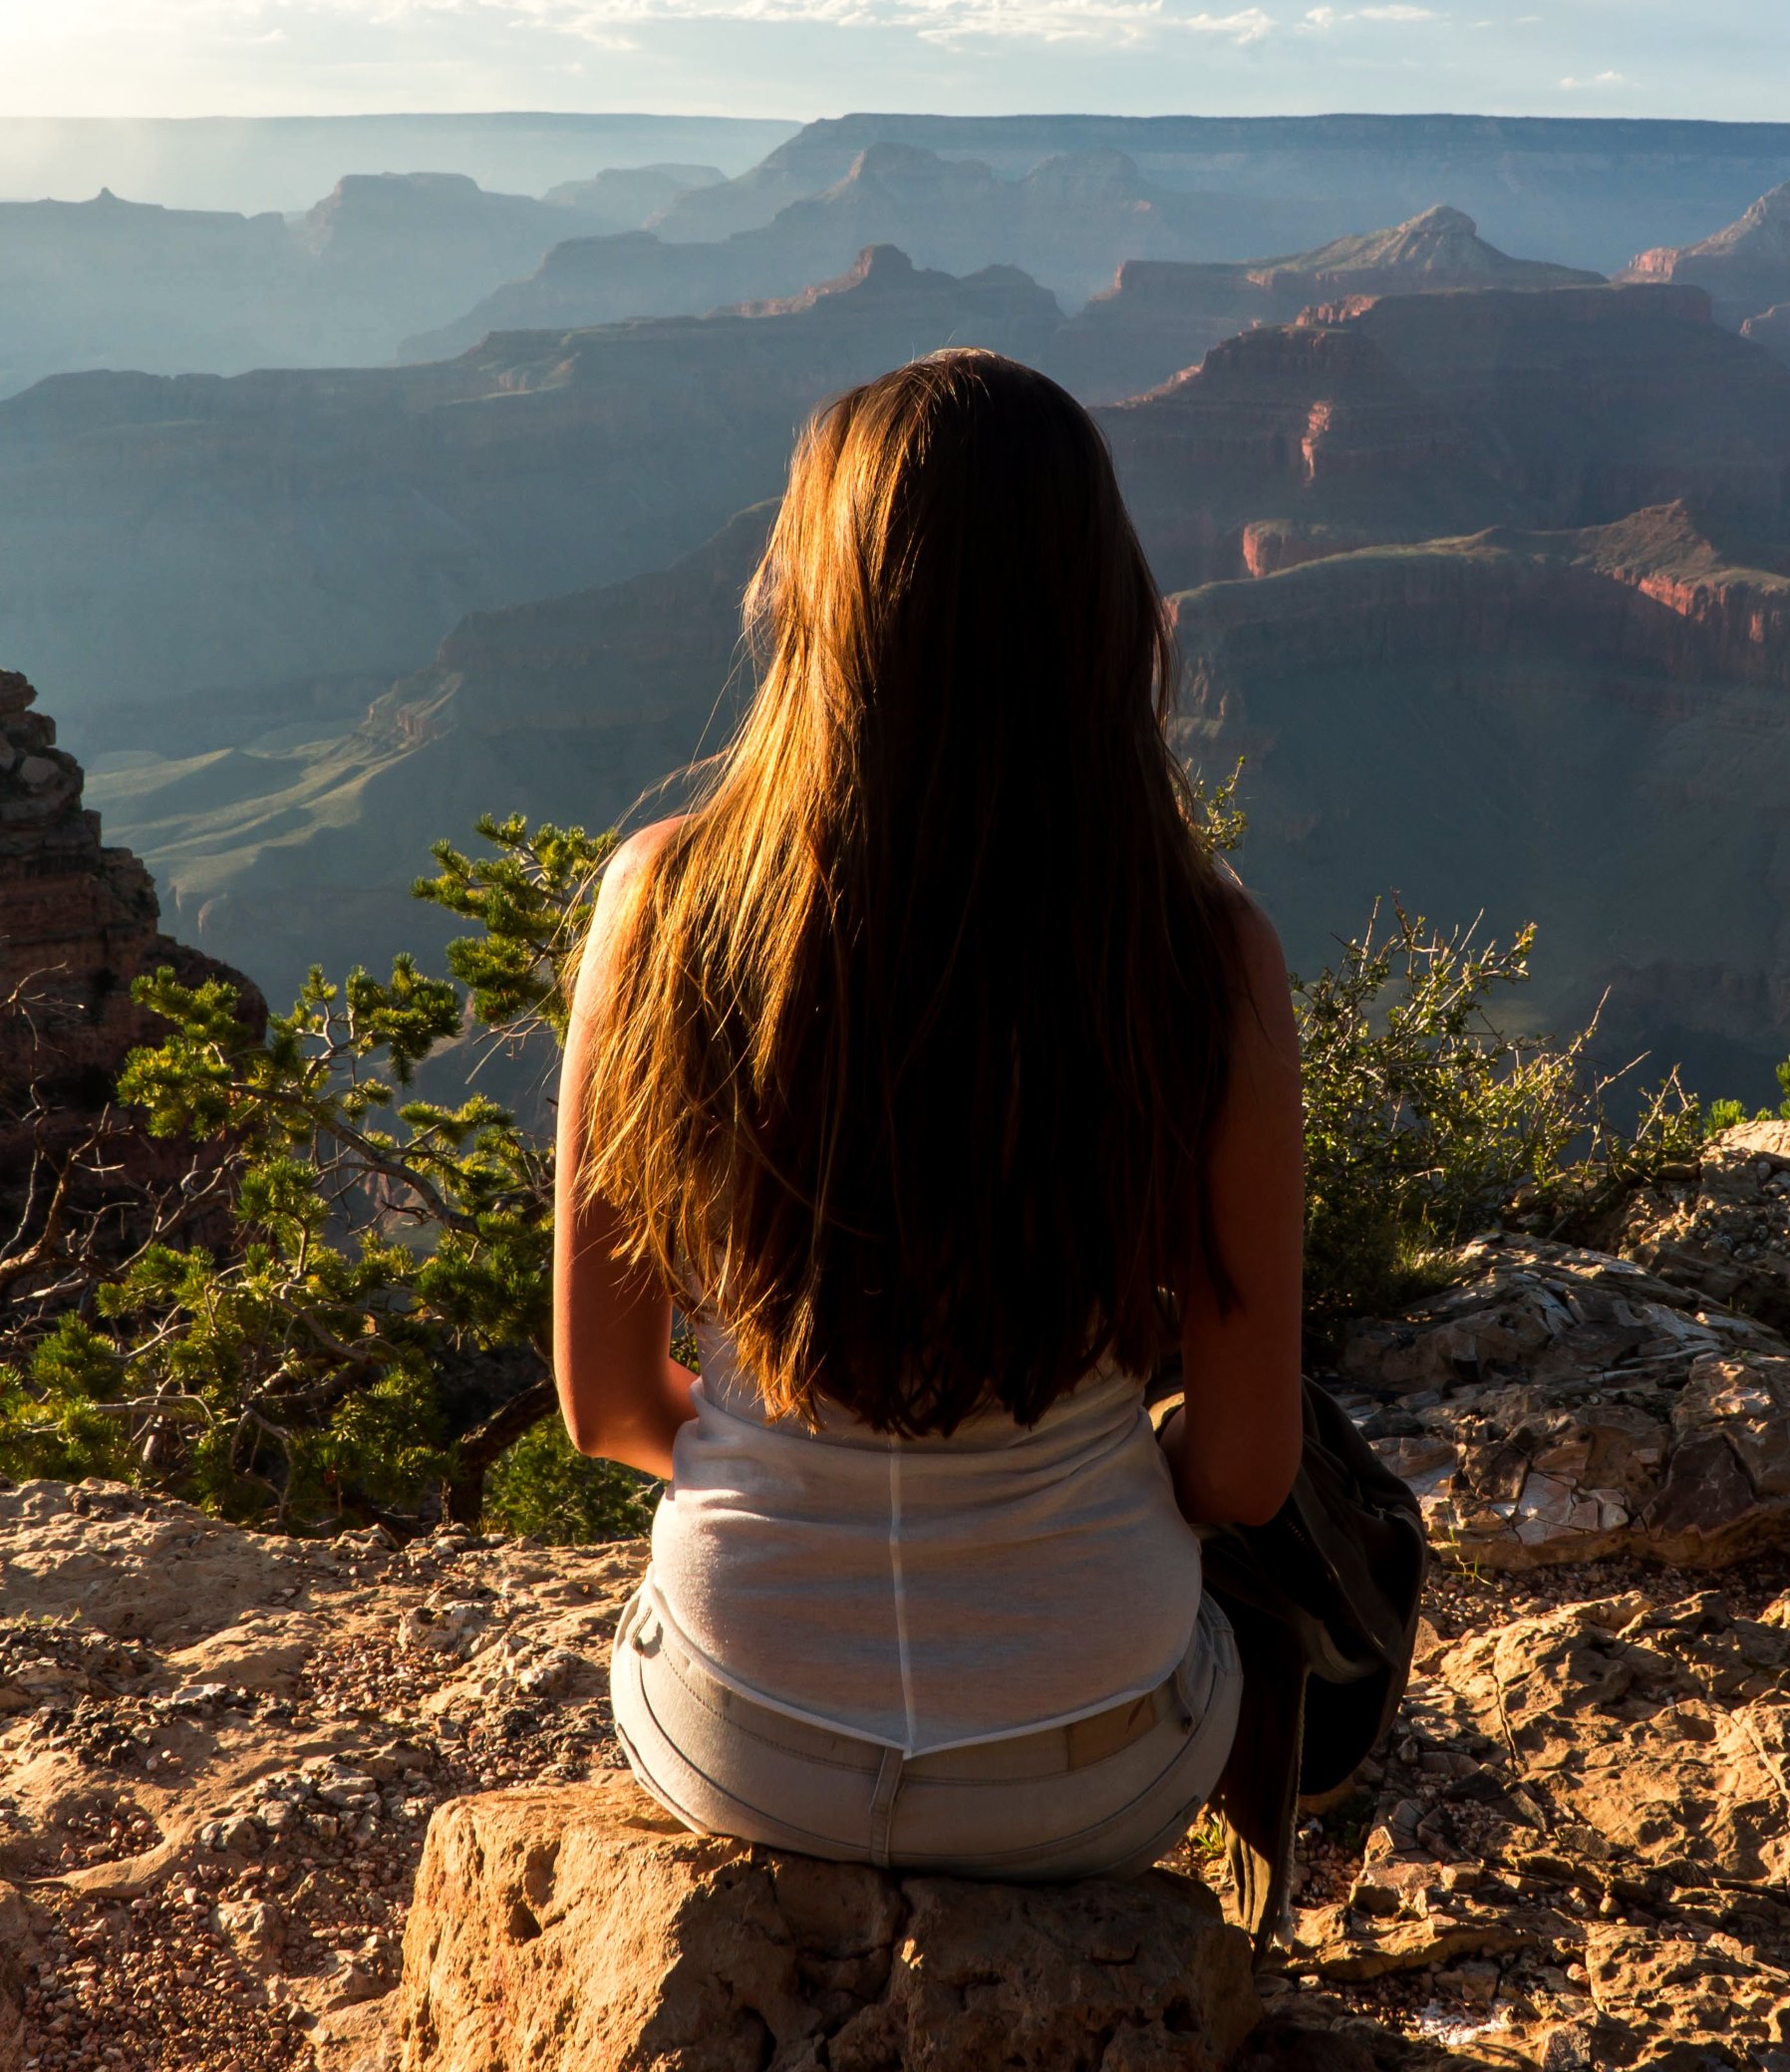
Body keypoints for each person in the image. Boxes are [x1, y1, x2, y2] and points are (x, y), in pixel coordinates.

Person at [552, 349, 1307, 1881]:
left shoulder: (663, 904)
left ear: (820, 600)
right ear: (1100, 610)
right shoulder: (1200, 951)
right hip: (1091, 1762)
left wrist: (800, 1473)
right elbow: (1243, 1473)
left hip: (740, 1734)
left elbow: (610, 1410)